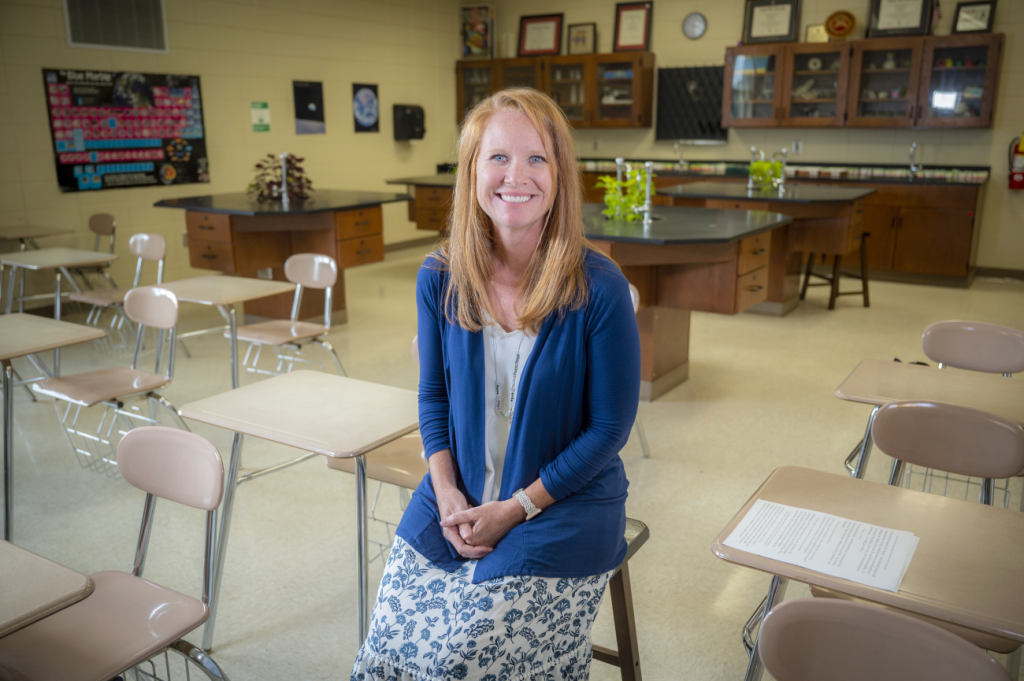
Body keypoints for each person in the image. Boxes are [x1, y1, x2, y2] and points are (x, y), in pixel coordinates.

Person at [351, 88, 641, 681]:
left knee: (467, 657)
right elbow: (433, 396)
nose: (517, 176)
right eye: (498, 158)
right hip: (457, 487)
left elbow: (609, 429)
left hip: (566, 502)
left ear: (560, 174)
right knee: (389, 649)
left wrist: (515, 508)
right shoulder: (440, 277)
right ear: (471, 172)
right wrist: (447, 490)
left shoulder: (599, 286)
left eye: (537, 158)